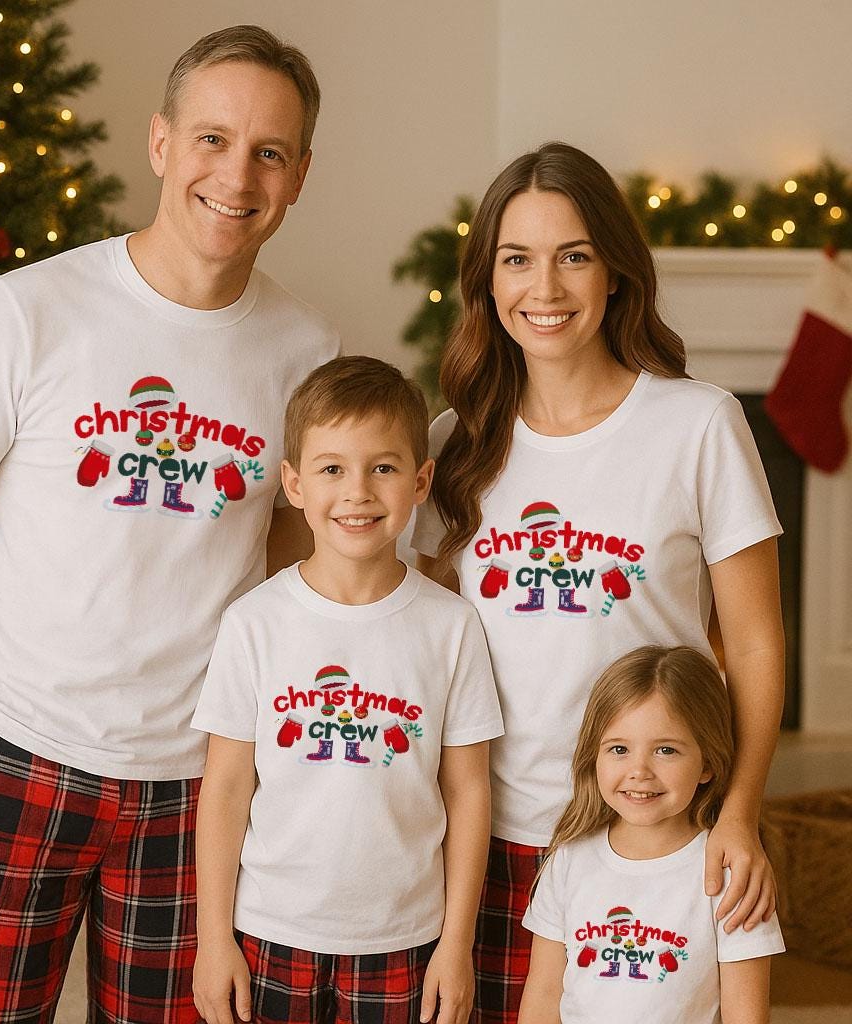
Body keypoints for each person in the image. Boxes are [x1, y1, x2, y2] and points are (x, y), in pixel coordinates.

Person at [0, 25, 339, 1024]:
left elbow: (290, 567)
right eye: (213, 139)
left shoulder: (306, 353)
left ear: (299, 175)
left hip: (193, 786)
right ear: (162, 143)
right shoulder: (28, 311)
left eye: (268, 151)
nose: (236, 174)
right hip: (12, 753)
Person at [412, 142, 785, 1022]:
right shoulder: (451, 445)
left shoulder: (698, 423)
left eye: (573, 255)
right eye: (517, 259)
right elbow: (417, 637)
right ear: (487, 282)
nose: (545, 287)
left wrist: (739, 812)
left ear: (615, 271)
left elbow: (759, 639)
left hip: (651, 838)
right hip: (484, 841)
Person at [190, 356, 504, 1024]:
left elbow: (469, 790)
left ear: (421, 482)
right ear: (295, 484)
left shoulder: (451, 628)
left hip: (407, 940)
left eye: (383, 468)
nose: (357, 491)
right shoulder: (254, 623)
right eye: (332, 469)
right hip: (271, 932)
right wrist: (212, 939)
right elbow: (224, 787)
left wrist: (457, 941)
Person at [518, 645, 784, 1024]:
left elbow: (747, 1015)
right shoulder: (568, 859)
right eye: (619, 749)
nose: (639, 770)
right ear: (594, 756)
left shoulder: (728, 873)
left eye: (665, 750)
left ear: (708, 762)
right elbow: (543, 998)